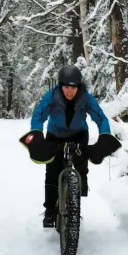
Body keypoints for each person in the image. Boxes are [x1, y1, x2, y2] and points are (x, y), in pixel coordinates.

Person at [30, 65, 111, 227]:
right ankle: (50, 210)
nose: (70, 91)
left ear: (78, 86)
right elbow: (38, 115)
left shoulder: (86, 98)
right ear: (60, 85)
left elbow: (101, 118)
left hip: (79, 133)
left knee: (81, 159)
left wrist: (104, 136)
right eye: (66, 87)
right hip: (55, 135)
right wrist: (37, 133)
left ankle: (81, 185)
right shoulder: (51, 96)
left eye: (73, 87)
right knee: (52, 171)